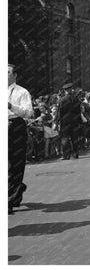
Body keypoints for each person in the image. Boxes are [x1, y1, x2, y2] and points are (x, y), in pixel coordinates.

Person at [8, 64, 33, 214]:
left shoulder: (22, 92)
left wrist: (11, 106)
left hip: (15, 126)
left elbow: (29, 113)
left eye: (8, 72)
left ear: (15, 75)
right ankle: (17, 188)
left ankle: (9, 201)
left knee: (15, 164)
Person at [57, 82, 81, 160]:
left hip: (65, 121)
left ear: (65, 90)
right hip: (74, 120)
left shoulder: (61, 100)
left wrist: (57, 121)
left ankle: (66, 155)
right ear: (71, 89)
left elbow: (59, 112)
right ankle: (75, 154)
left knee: (65, 138)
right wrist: (79, 121)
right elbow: (78, 111)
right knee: (75, 138)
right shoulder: (76, 99)